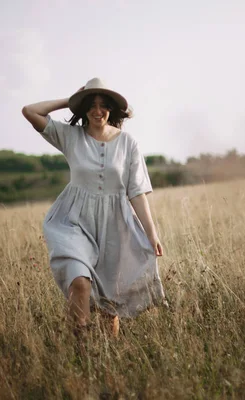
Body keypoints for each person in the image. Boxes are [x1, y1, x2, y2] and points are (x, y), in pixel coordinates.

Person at [21, 77, 165, 337]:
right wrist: (70, 100)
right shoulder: (70, 137)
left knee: (111, 302)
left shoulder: (128, 143)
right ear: (83, 108)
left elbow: (137, 192)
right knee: (80, 283)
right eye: (91, 105)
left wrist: (151, 233)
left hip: (114, 225)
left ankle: (105, 359)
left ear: (111, 108)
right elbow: (30, 111)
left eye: (103, 105)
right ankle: (82, 350)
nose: (97, 111)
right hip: (74, 221)